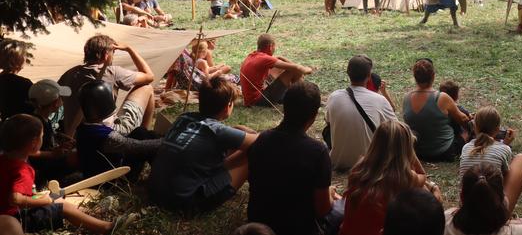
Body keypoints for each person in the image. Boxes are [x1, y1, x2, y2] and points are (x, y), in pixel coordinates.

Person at [0, 114, 135, 233]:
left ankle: (88, 214)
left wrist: (40, 197)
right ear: (34, 143)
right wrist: (44, 201)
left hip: (6, 210)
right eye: (42, 137)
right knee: (63, 207)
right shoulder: (22, 170)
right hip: (18, 217)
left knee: (57, 199)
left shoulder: (5, 159)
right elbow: (15, 199)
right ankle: (107, 227)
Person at [149, 76, 256, 215]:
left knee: (241, 134)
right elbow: (263, 141)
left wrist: (242, 130)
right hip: (183, 204)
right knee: (252, 151)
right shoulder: (218, 131)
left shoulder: (184, 117)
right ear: (228, 106)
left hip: (155, 193)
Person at [248, 81, 344, 235]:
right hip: (298, 228)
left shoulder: (261, 139)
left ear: (284, 107)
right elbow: (323, 210)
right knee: (345, 207)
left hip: (259, 223)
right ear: (314, 116)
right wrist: (330, 194)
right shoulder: (318, 151)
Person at [339, 121, 442, 235]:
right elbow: (422, 174)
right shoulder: (404, 177)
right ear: (406, 149)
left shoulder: (360, 167)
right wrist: (410, 150)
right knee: (430, 198)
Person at [58, 34, 156, 138]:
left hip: (75, 134)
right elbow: (149, 76)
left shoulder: (69, 74)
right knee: (147, 88)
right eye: (113, 53)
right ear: (106, 55)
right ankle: (143, 136)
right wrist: (129, 49)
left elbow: (59, 98)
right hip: (107, 133)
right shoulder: (112, 72)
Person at [445, 164, 522, 235]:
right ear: (501, 198)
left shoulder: (444, 220)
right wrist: (511, 224)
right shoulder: (514, 232)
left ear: (462, 197)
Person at [74, 81, 161, 178]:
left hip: (96, 173)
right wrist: (166, 141)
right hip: (112, 179)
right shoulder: (105, 136)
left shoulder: (82, 129)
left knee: (141, 132)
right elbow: (137, 146)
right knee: (146, 137)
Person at [325, 55, 397, 171]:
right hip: (369, 163)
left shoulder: (333, 97)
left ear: (348, 73)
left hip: (338, 162)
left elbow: (328, 121)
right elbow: (397, 130)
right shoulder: (379, 100)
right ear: (369, 76)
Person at [459, 107, 522, 215]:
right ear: (498, 129)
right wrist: (505, 145)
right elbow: (504, 178)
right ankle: (505, 216)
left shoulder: (466, 148)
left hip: (467, 209)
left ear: (474, 127)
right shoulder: (504, 149)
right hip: (494, 212)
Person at [402, 59, 470, 161]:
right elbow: (463, 120)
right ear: (433, 76)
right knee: (467, 131)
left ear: (415, 77)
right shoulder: (441, 97)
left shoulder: (406, 98)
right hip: (445, 151)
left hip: (418, 152)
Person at [239, 34, 313, 107]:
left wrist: (282, 58)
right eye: (274, 46)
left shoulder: (253, 55)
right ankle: (303, 99)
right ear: (270, 47)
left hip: (251, 98)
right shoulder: (264, 59)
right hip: (257, 100)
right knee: (293, 71)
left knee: (285, 68)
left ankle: (295, 96)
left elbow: (279, 60)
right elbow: (297, 68)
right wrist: (309, 69)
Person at [26, 80, 74, 188]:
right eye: (61, 98)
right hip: (43, 173)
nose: (62, 101)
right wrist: (52, 154)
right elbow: (29, 151)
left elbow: (49, 135)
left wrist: (60, 136)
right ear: (55, 103)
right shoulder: (37, 124)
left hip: (47, 166)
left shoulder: (41, 118)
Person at [0, 40, 33, 120]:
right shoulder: (24, 84)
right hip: (19, 125)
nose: (26, 58)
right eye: (24, 55)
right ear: (18, 59)